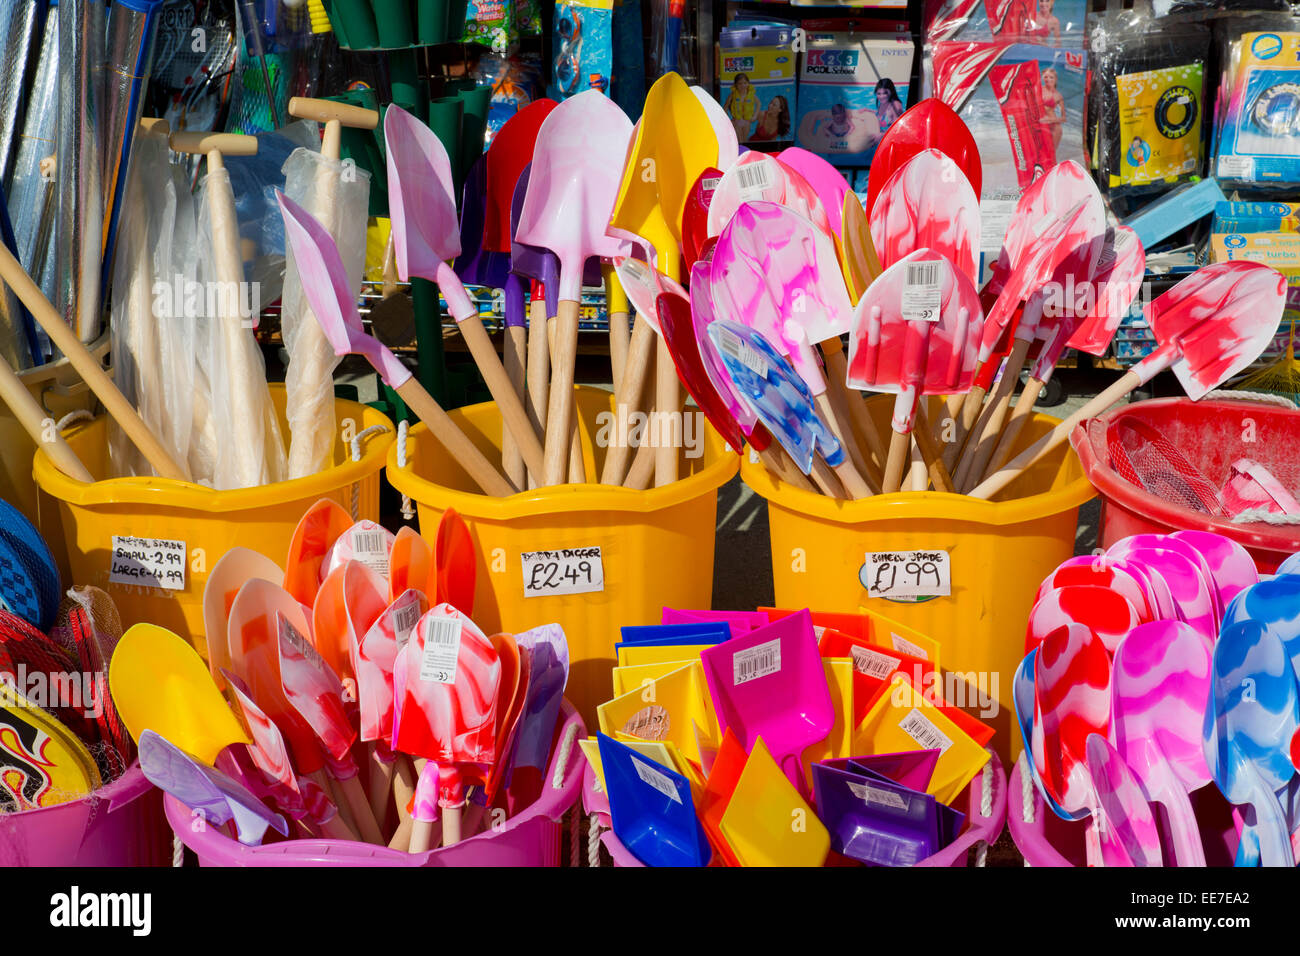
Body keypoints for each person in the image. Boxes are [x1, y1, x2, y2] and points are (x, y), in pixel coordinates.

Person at [724, 73, 759, 141]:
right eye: (740, 83)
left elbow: (758, 104)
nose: (743, 85)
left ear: (748, 83)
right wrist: (728, 119)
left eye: (745, 83)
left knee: (745, 140)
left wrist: (755, 116)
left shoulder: (751, 94)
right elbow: (726, 106)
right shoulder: (733, 95)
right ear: (736, 85)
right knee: (740, 141)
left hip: (747, 122)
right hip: (737, 121)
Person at [1039, 66, 1066, 151]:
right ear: (1043, 78)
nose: (1048, 79)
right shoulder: (1039, 90)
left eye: (1051, 77)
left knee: (1051, 153)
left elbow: (1063, 118)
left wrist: (1050, 120)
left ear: (1055, 79)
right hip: (1040, 124)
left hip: (1054, 128)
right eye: (1046, 77)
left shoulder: (1058, 96)